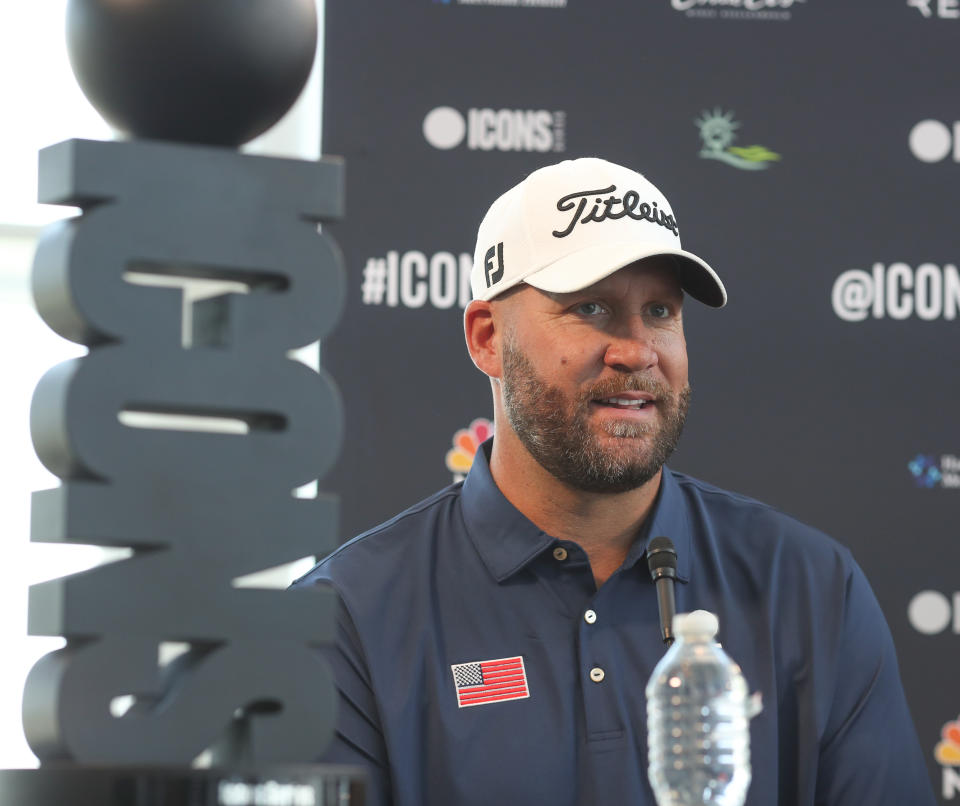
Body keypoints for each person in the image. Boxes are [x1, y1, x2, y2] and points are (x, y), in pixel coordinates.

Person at [292, 158, 936, 805]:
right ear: (488, 338)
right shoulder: (346, 619)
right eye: (590, 308)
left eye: (659, 310)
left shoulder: (811, 588)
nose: (636, 350)